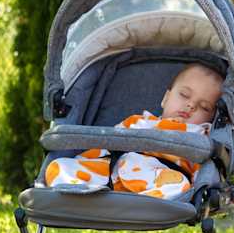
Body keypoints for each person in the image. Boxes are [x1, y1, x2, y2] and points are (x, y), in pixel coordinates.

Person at [44, 62, 224, 199]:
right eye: (184, 95)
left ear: (212, 118)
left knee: (180, 186)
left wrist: (207, 190)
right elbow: (108, 142)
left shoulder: (201, 136)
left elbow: (203, 172)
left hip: (158, 178)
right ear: (165, 98)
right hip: (112, 171)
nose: (191, 105)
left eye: (204, 107)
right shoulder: (139, 121)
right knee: (60, 166)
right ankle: (85, 192)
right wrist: (87, 160)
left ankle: (139, 202)